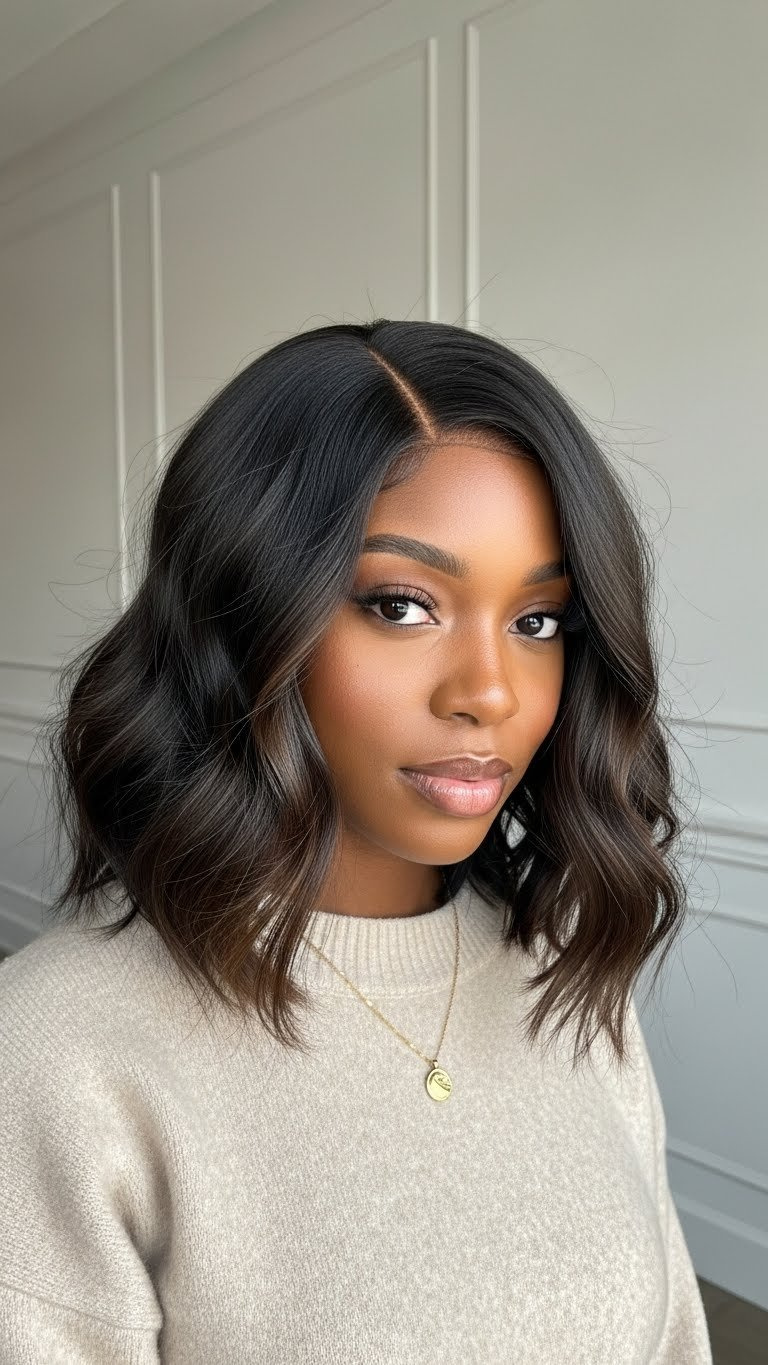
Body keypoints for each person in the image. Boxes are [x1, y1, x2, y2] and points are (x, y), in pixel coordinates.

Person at [0, 319, 712, 1362]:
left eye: (540, 621)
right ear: (242, 618)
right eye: (402, 604)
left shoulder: (563, 972)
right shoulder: (62, 1047)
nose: (491, 693)